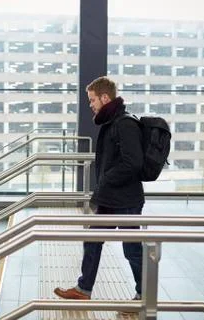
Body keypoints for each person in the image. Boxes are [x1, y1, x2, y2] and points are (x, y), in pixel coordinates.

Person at [54, 76, 145, 301]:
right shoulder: (112, 122)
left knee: (132, 249)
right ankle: (84, 289)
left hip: (126, 199)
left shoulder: (124, 123)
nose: (91, 104)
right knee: (93, 237)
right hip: (112, 197)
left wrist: (106, 180)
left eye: (92, 99)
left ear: (105, 97)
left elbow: (133, 162)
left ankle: (144, 294)